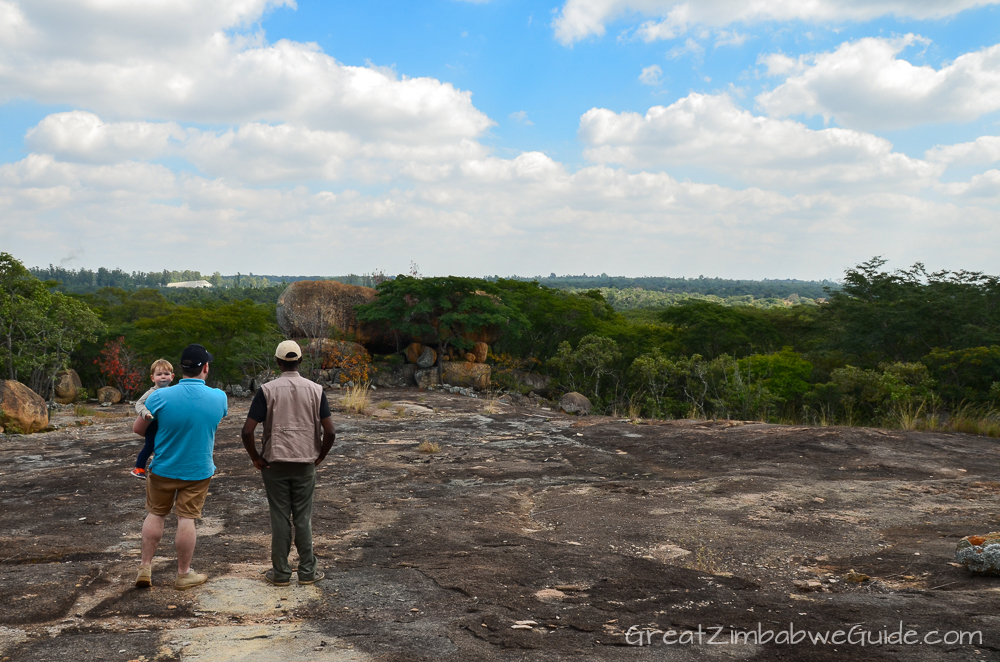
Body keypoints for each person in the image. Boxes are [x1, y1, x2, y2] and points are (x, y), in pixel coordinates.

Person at [241, 340, 336, 586]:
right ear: (300, 361)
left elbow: (247, 430)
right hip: (306, 462)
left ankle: (281, 574)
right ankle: (307, 572)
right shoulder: (316, 389)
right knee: (303, 518)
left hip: (275, 465)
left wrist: (256, 458)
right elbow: (331, 432)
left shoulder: (267, 390)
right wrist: (320, 456)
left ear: (278, 362)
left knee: (280, 517)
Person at [134, 344, 228, 591]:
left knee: (155, 514)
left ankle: (145, 567)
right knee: (187, 519)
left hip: (163, 467)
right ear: (205, 368)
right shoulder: (219, 397)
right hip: (197, 470)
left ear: (181, 369)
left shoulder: (158, 397)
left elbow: (138, 429)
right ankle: (183, 574)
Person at [129, 358, 175, 479]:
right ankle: (138, 467)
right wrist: (145, 413)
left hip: (167, 425)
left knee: (167, 446)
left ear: (172, 376)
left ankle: (165, 467)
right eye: (159, 374)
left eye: (166, 374)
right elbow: (139, 404)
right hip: (153, 425)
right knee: (150, 446)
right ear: (152, 378)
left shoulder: (173, 391)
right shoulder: (151, 392)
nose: (163, 377)